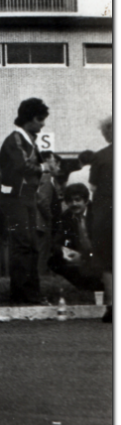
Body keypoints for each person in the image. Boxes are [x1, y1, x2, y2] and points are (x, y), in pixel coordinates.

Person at [0, 97, 50, 305]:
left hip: (27, 198)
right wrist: (45, 168)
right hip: (16, 198)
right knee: (22, 245)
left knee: (32, 246)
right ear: (28, 118)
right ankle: (21, 295)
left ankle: (32, 294)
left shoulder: (28, 139)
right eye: (40, 119)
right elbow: (21, 165)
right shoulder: (15, 139)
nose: (43, 124)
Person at [47, 183, 102, 293]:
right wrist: (65, 251)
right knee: (54, 261)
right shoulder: (66, 216)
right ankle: (85, 288)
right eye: (70, 201)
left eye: (77, 200)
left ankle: (100, 286)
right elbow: (56, 242)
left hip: (99, 254)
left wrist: (84, 256)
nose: (74, 204)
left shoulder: (98, 213)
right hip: (80, 254)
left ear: (86, 201)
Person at [89, 116, 112, 322]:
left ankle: (111, 305)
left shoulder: (99, 157)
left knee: (108, 261)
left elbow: (93, 187)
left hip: (106, 214)